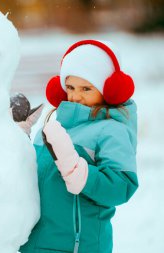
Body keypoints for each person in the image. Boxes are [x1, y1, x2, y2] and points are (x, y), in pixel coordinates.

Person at [18, 40, 138, 253]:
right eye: (70, 87)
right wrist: (17, 139)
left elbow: (122, 187)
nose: (75, 96)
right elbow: (31, 181)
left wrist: (80, 173)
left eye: (86, 88)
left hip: (79, 246)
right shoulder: (51, 127)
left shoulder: (111, 130)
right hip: (35, 244)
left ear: (107, 90)